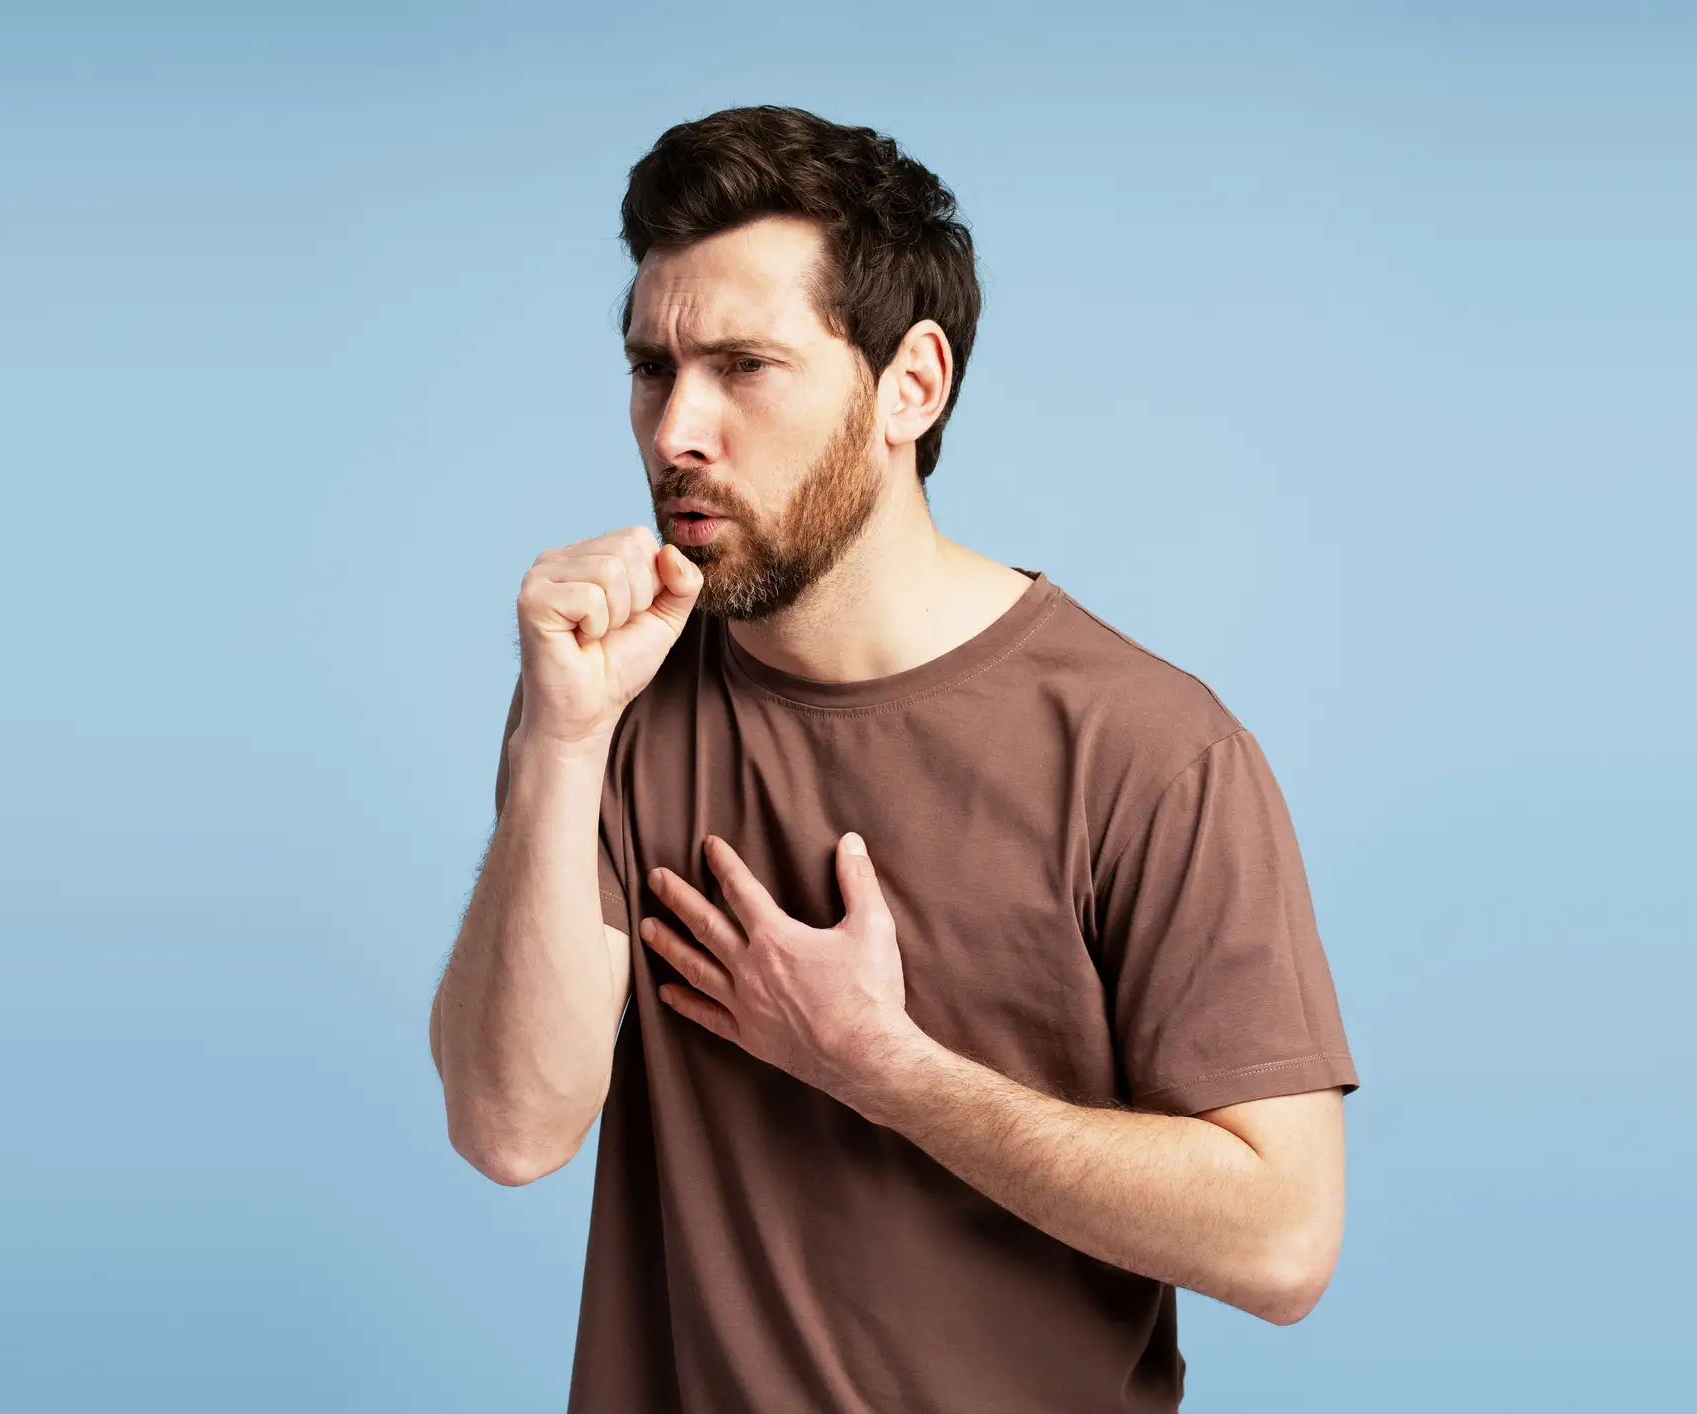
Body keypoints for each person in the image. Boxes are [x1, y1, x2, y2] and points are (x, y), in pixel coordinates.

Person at [428, 104, 1359, 1413]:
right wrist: (555, 740)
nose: (674, 430)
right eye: (653, 369)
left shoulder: (1149, 746)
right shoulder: (611, 699)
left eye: (743, 366)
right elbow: (510, 1126)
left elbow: (1283, 1238)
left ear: (909, 386)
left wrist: (886, 1066)